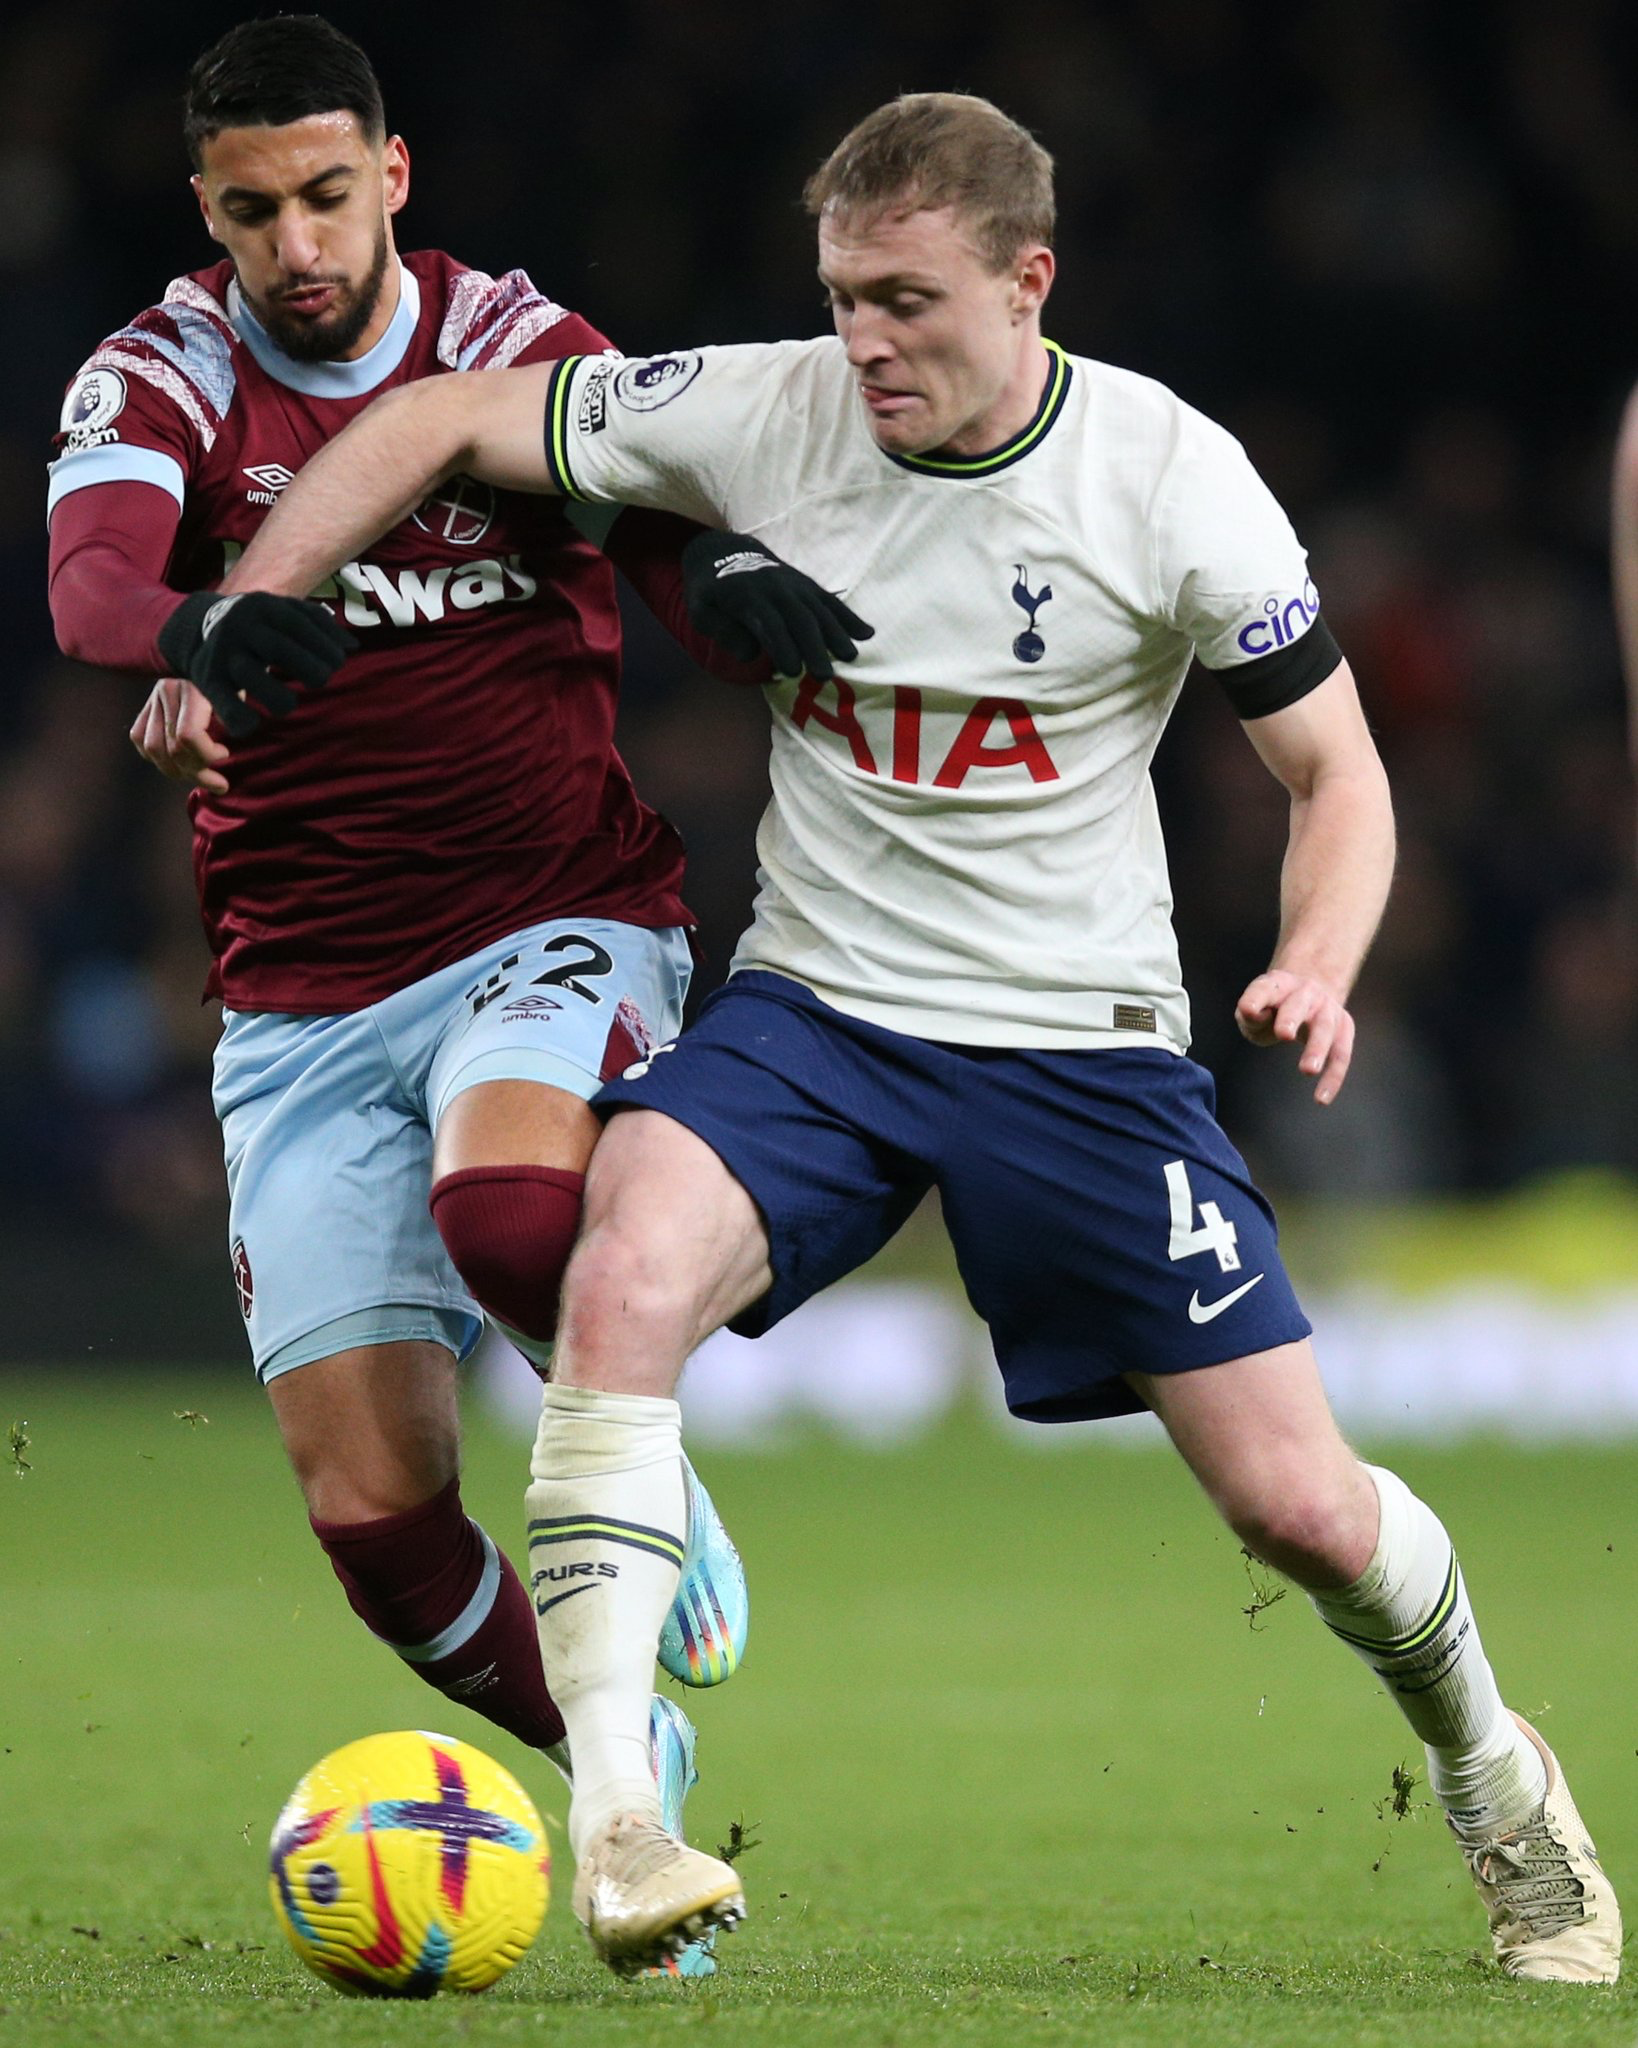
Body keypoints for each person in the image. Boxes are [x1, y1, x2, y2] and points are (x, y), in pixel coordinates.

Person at [210, 92, 1621, 1985]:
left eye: (903, 302)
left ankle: (1494, 1775)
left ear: (1026, 284)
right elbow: (438, 417)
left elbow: (1335, 773)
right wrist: (248, 601)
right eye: (839, 297)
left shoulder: (1164, 476)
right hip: (824, 1017)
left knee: (1296, 1509)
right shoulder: (774, 405)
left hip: (1082, 1052)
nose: (862, 340)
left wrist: (1316, 959)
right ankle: (621, 1815)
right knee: (615, 1272)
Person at [39, 18, 850, 1977]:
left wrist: (717, 592)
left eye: (330, 195)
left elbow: (648, 523)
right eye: (254, 208)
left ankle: (641, 1469)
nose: (297, 243)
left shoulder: (518, 340)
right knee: (378, 1522)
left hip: (551, 915)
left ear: (392, 176)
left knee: (510, 1212)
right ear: (206, 209)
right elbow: (89, 583)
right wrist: (200, 621)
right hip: (301, 997)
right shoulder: (164, 369)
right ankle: (609, 1753)